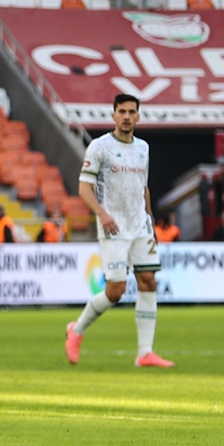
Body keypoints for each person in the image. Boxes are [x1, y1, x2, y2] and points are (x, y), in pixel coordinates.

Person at [66, 95, 173, 369]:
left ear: (138, 117)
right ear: (113, 115)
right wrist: (102, 214)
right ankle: (76, 330)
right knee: (115, 291)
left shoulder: (143, 148)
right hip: (113, 226)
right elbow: (84, 188)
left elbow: (142, 186)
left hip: (140, 225)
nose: (126, 116)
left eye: (131, 112)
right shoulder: (99, 147)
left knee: (148, 281)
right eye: (121, 111)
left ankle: (145, 353)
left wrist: (150, 218)